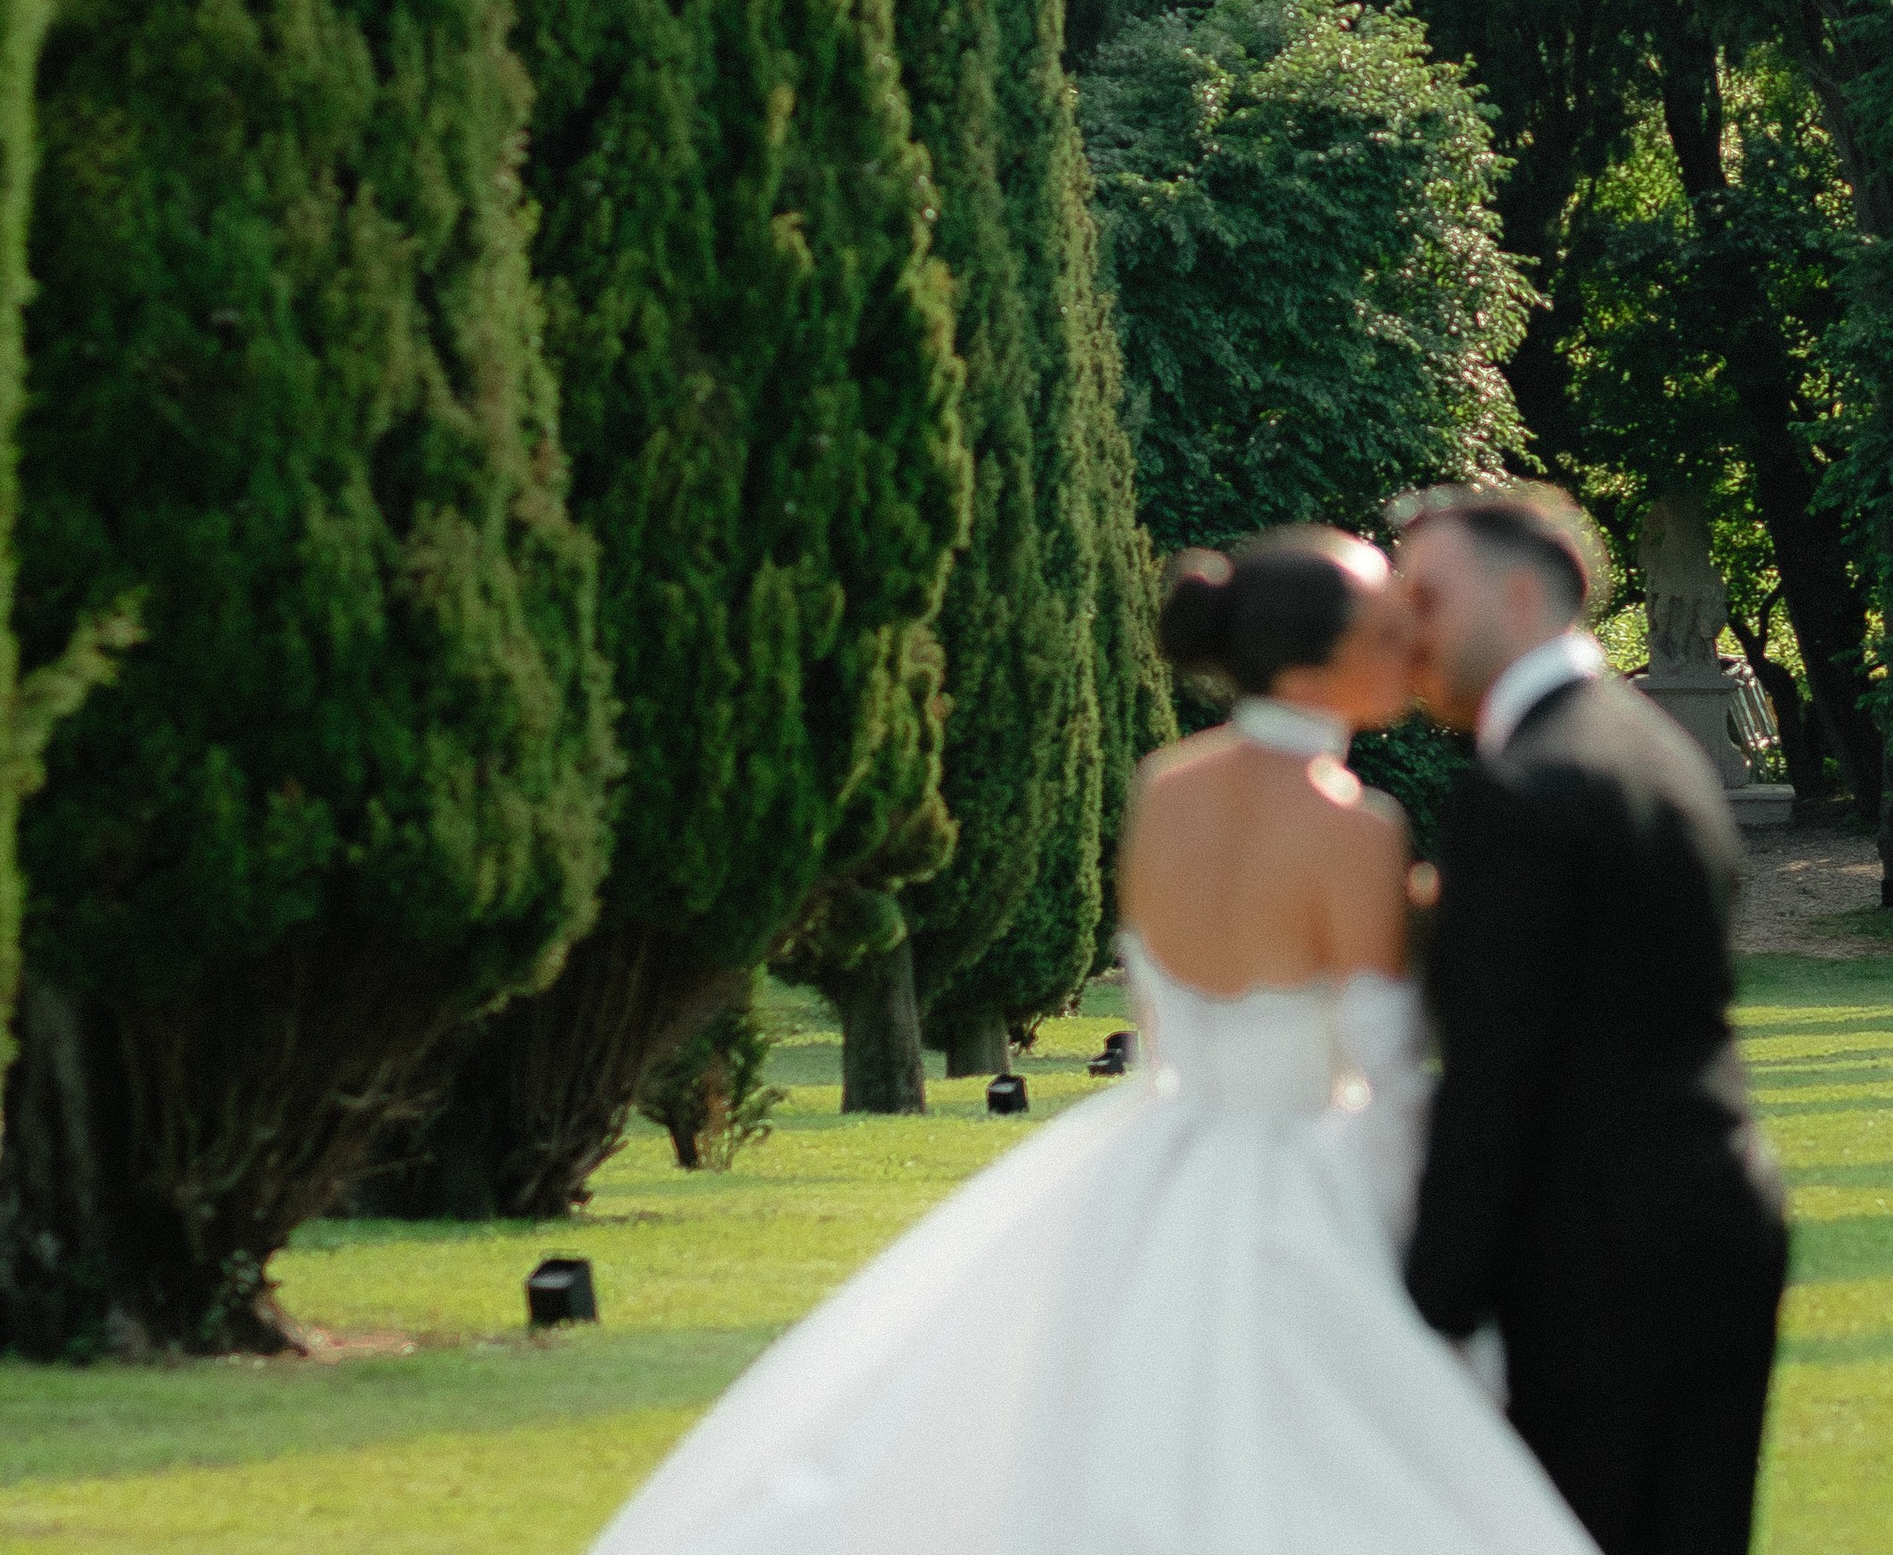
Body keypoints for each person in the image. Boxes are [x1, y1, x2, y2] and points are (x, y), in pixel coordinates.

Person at [588, 524, 1599, 1555]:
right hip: (1309, 1176)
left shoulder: (1164, 790)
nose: (1414, 650)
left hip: (1153, 1159)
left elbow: (1164, 1004)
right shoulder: (1353, 826)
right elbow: (1380, 1066)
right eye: (1391, 630)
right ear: (1325, 658)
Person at [1399, 488, 1788, 1555]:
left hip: (1595, 1260)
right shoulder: (1648, 745)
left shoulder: (1522, 788)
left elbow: (1496, 1074)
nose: (1405, 629)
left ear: (1521, 595)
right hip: (1708, 1215)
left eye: (1426, 597)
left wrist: (1425, 1305)